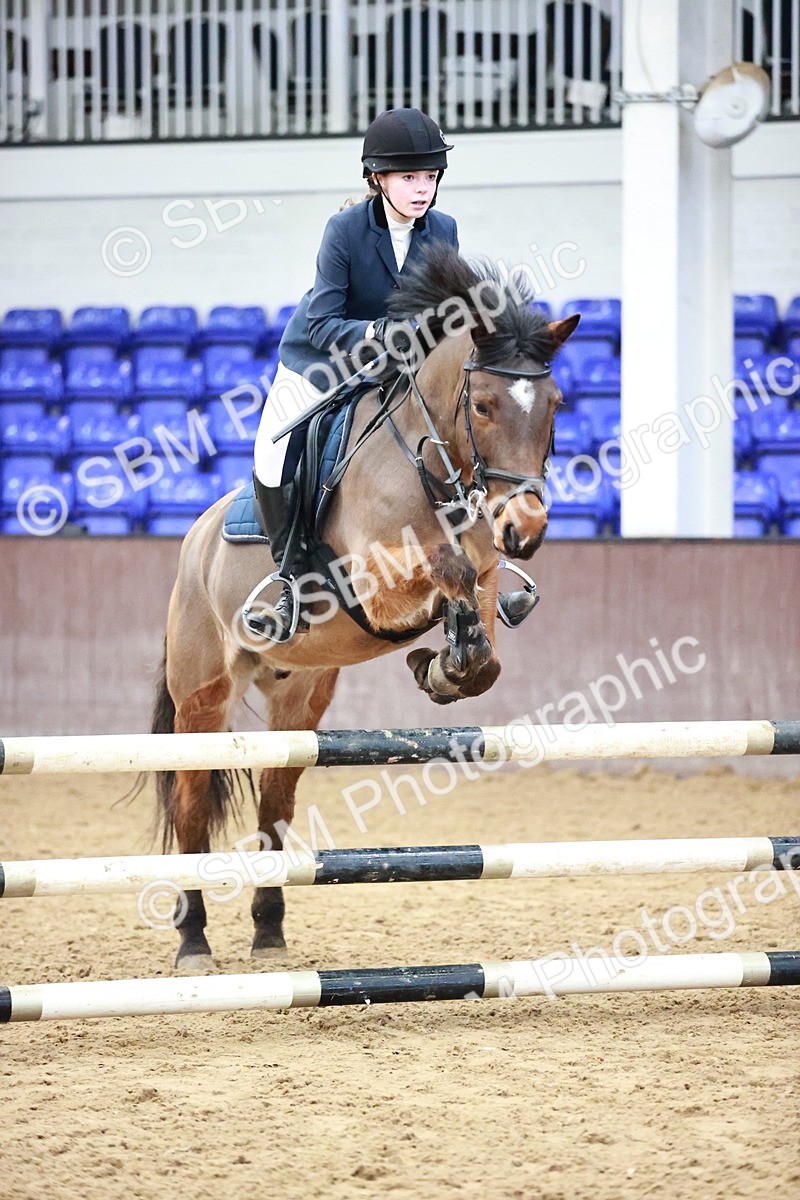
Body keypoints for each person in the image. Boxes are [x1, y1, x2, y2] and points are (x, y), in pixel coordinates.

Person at [251, 107, 458, 640]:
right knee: (272, 453)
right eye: (409, 177)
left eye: (429, 176)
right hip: (321, 359)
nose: (422, 188)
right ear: (377, 178)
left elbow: (443, 314)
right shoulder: (344, 230)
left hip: (395, 365)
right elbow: (322, 321)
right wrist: (377, 333)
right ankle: (292, 578)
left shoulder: (444, 230)